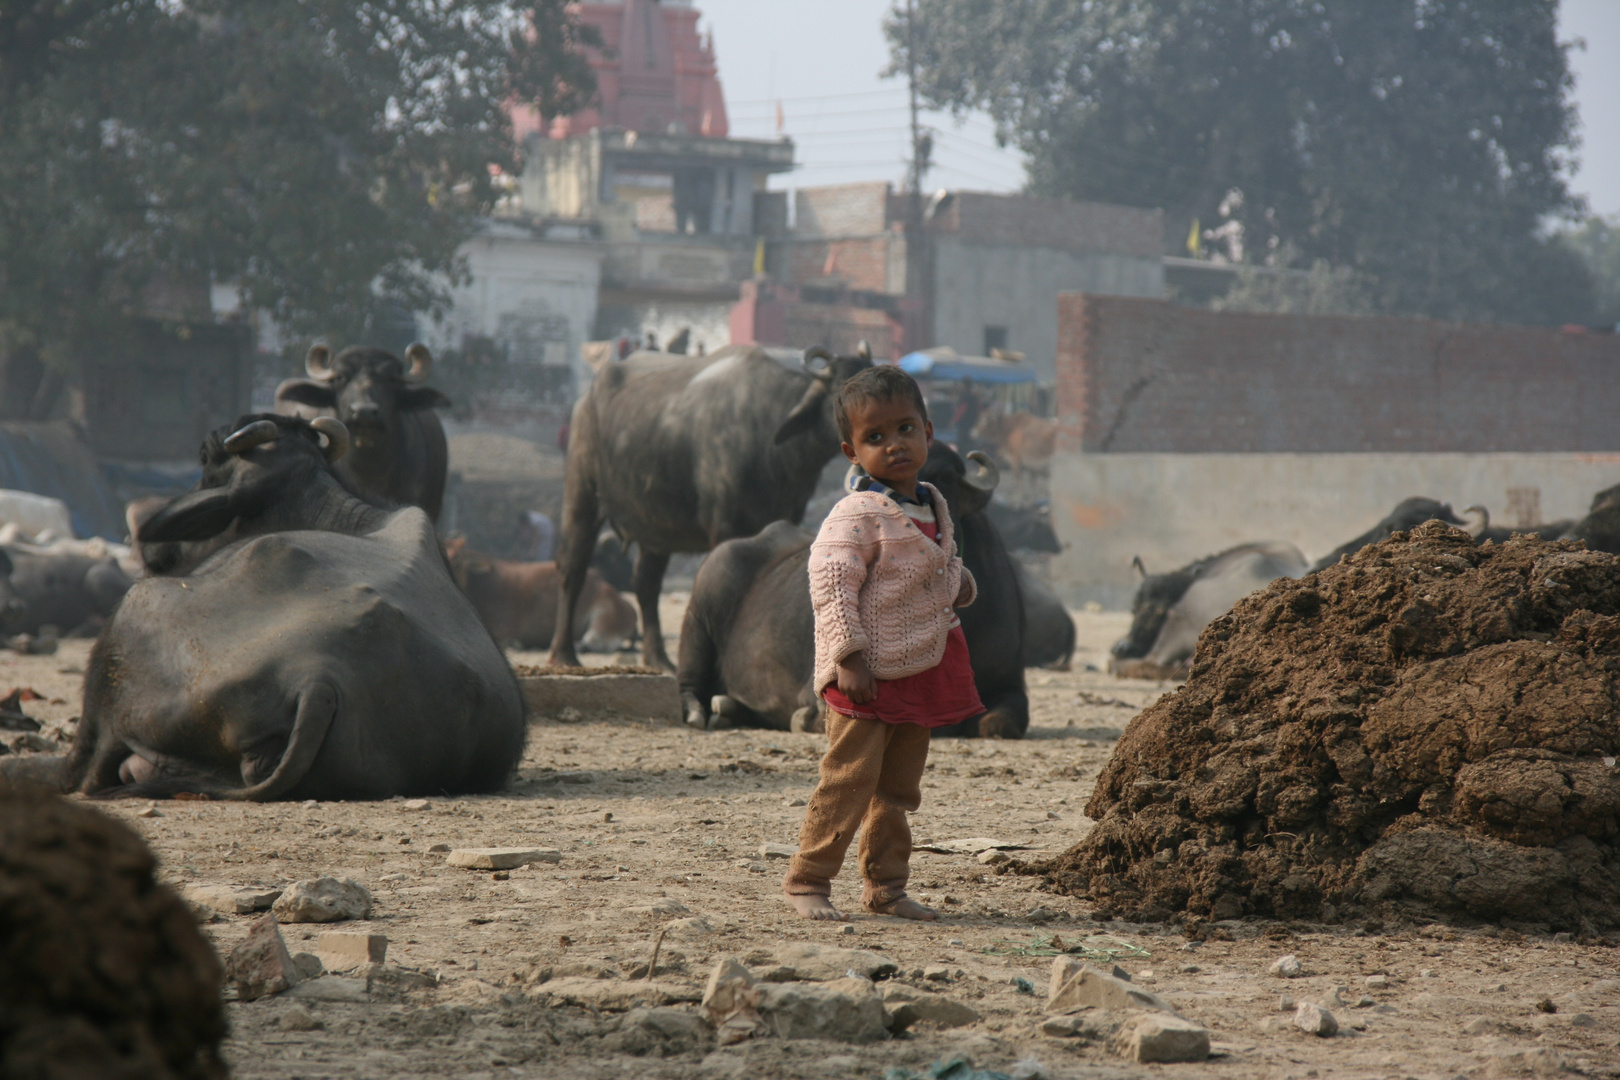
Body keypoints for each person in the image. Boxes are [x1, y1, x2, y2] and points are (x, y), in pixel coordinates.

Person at [783, 365, 983, 922]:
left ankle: (887, 887)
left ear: (929, 431)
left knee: (899, 789)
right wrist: (848, 656)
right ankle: (808, 880)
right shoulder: (856, 513)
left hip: (919, 664)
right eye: (875, 437)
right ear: (852, 450)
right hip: (866, 672)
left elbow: (927, 567)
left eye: (905, 430)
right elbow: (831, 584)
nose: (894, 445)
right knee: (848, 778)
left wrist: (958, 584)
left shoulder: (933, 503)